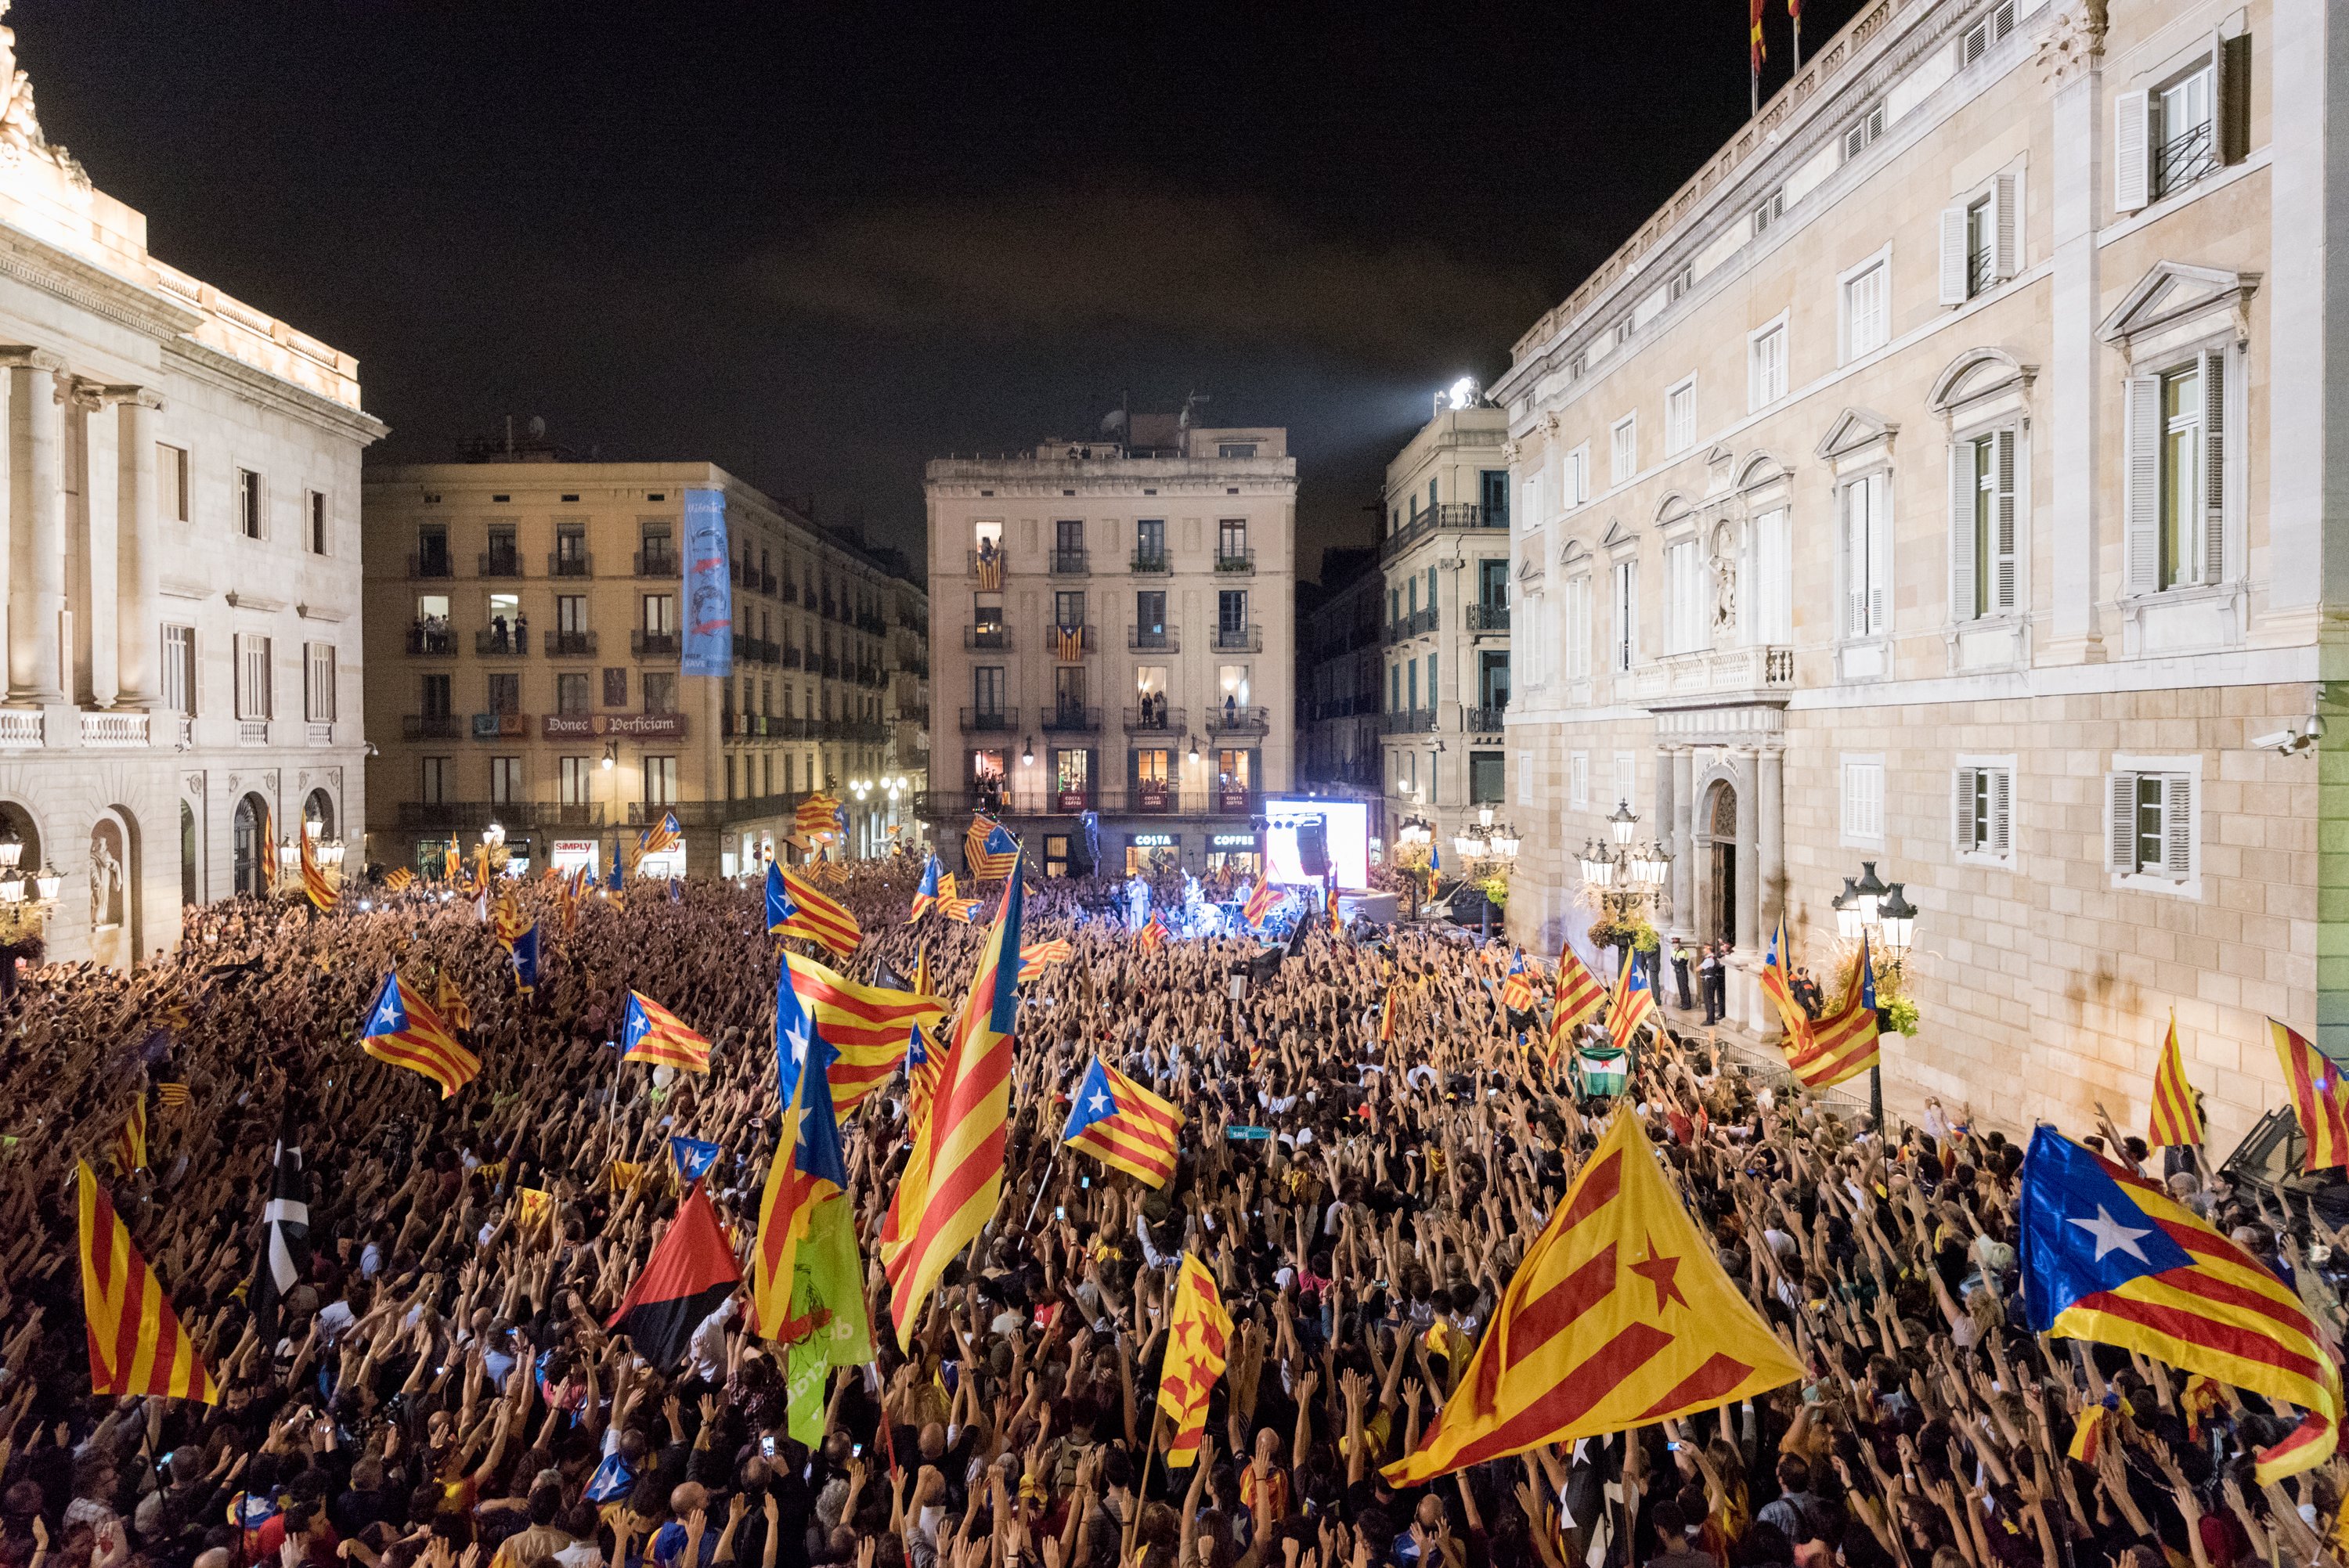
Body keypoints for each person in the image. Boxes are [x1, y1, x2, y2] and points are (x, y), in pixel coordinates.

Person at [1669, 936, 1692, 1010]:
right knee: (1680, 988)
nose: (1675, 945)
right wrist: (1675, 962)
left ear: (1679, 944)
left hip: (1682, 971)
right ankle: (1683, 1003)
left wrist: (1675, 962)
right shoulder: (1673, 952)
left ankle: (1687, 1004)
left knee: (1684, 987)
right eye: (1674, 943)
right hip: (1677, 971)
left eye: (1676, 943)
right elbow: (1672, 961)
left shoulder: (1683, 952)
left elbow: (1680, 962)